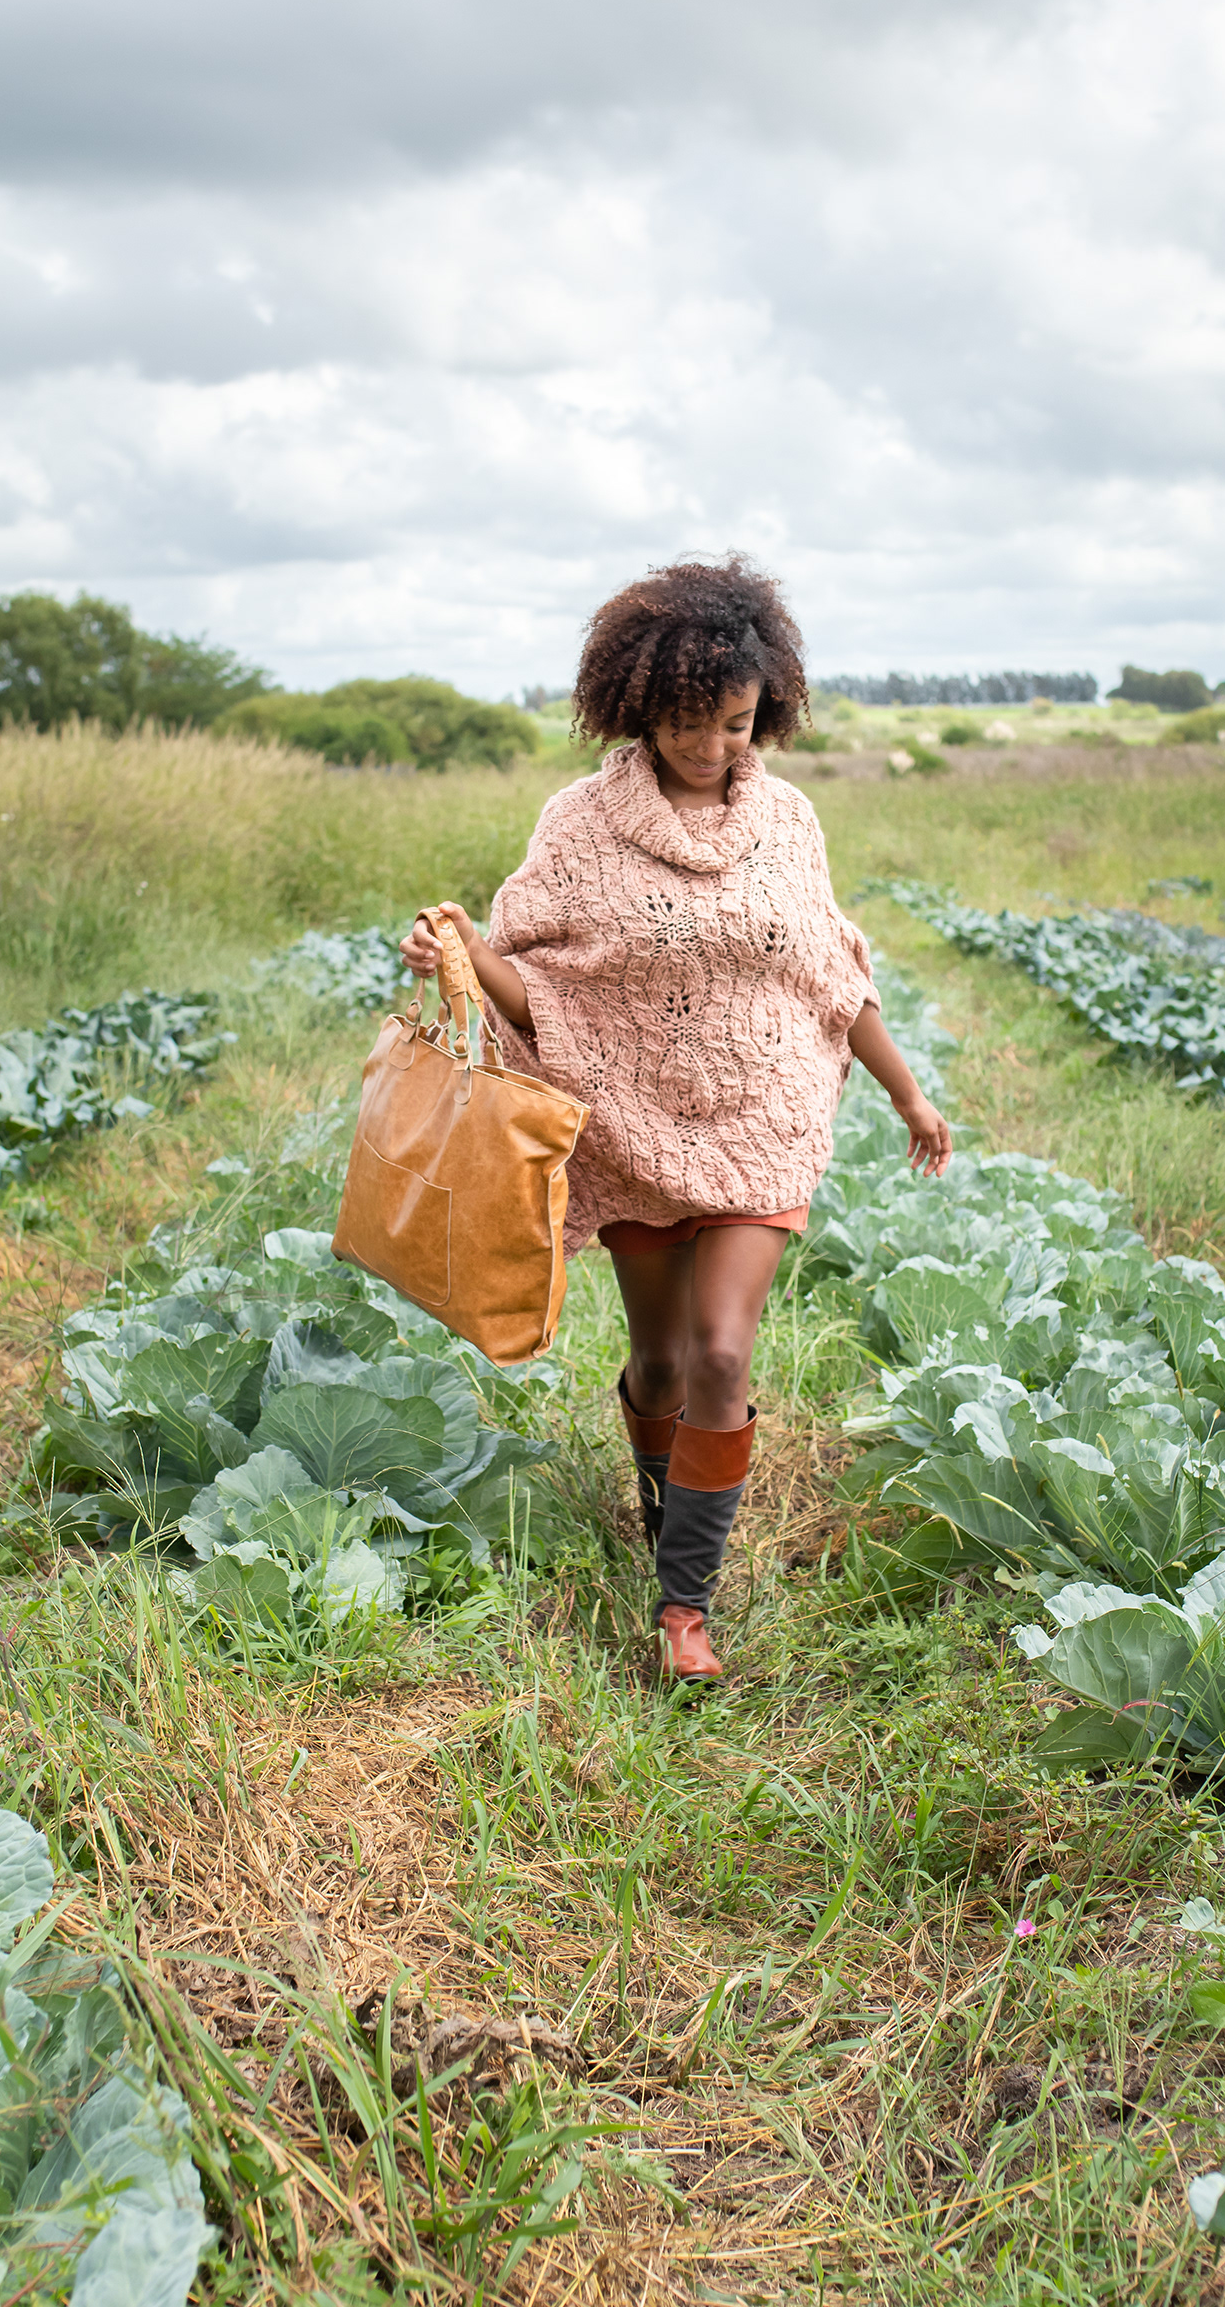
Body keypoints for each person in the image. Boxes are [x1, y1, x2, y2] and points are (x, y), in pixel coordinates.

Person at [400, 556, 952, 1682]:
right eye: (689, 724)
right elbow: (539, 982)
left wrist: (906, 1090)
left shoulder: (788, 819)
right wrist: (459, 949)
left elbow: (829, 971)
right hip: (630, 1125)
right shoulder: (578, 825)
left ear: (767, 709)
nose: (711, 747)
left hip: (763, 1120)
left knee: (720, 1350)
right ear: (641, 705)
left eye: (736, 724)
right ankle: (667, 1512)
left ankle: (683, 1607)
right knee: (656, 1364)